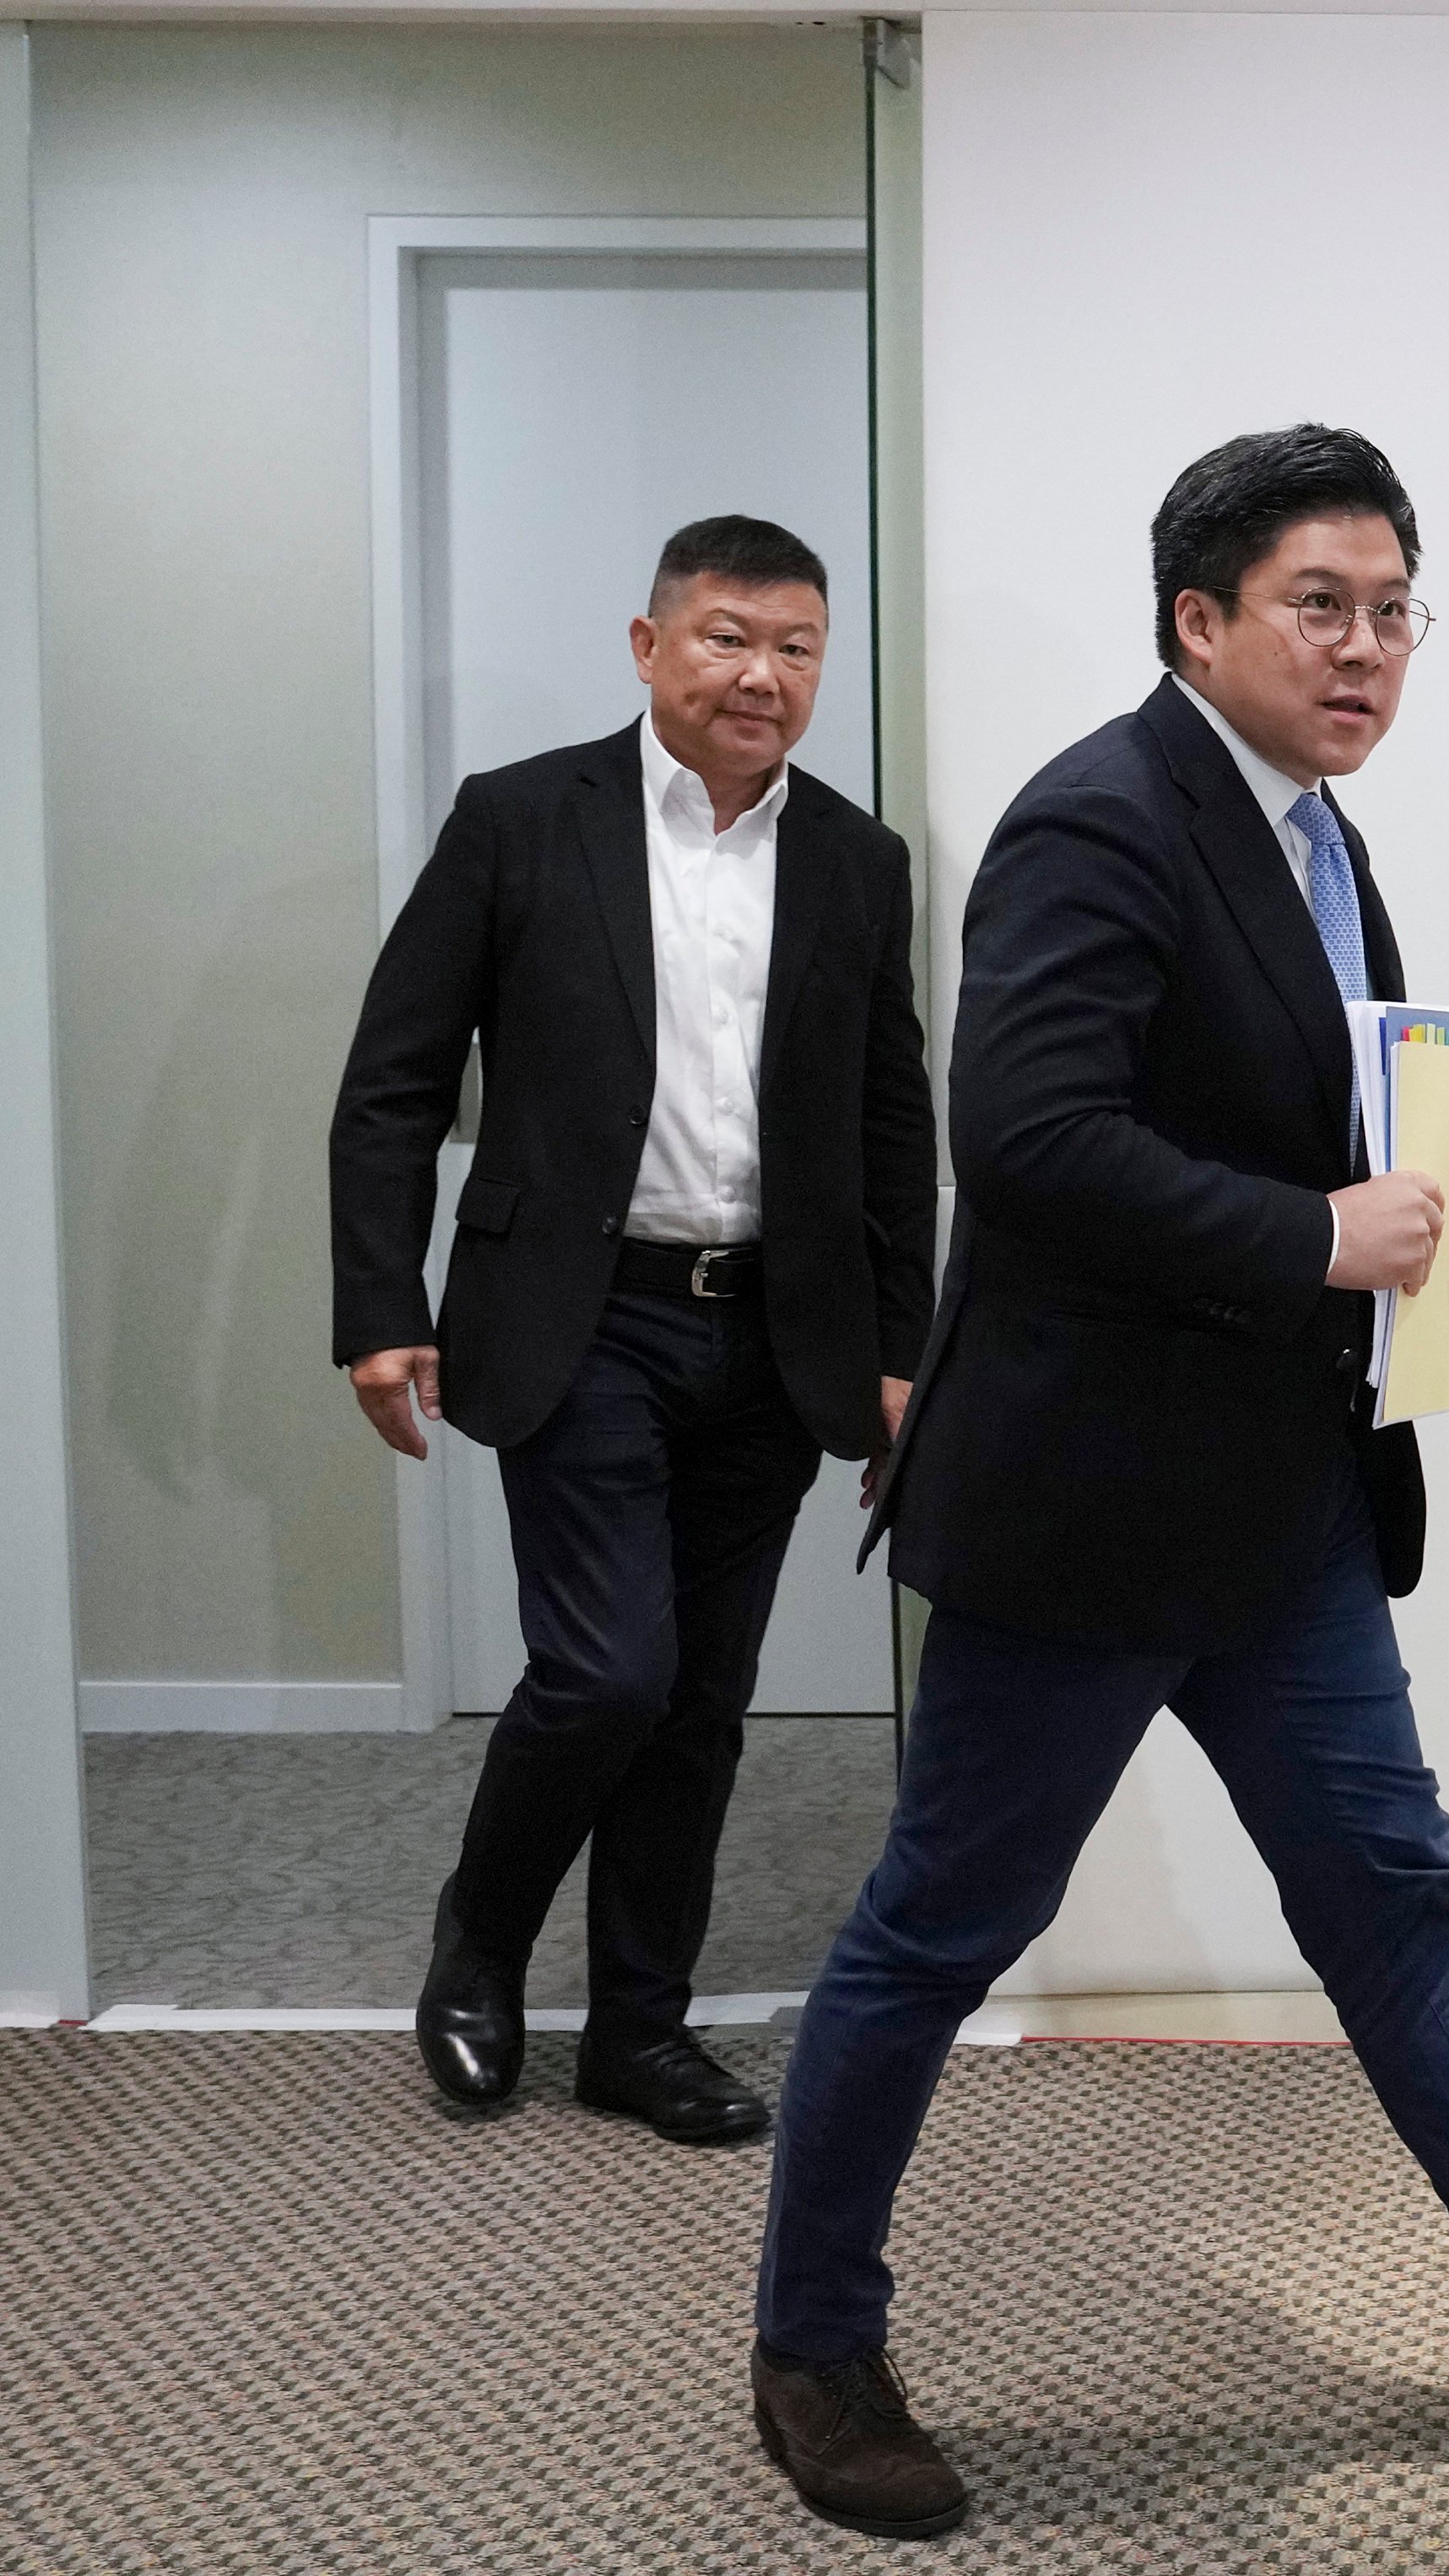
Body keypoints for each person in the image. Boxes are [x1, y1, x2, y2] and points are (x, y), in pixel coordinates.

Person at [744, 427, 1449, 2540]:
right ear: (1199, 620)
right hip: (1081, 1520)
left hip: (1278, 1510)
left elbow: (1294, 1131)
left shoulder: (1315, 833)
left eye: (1393, 608)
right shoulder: (1099, 818)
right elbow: (1037, 1143)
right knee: (937, 1932)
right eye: (1318, 606)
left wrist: (1419, 1229)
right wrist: (1317, 1237)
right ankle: (813, 2351)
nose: (1364, 651)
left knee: (1391, 1903)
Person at [327, 516, 938, 2146]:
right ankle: (480, 1944)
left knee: (703, 1697)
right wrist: (378, 1308)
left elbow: (896, 1127)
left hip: (776, 1331)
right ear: (650, 644)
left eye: (798, 647)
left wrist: (903, 1349)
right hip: (580, 1316)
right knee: (608, 1672)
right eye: (730, 636)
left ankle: (638, 2030)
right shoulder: (523, 820)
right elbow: (394, 1077)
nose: (765, 674)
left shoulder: (860, 863)